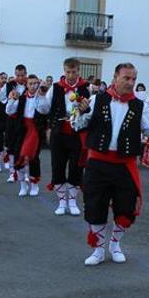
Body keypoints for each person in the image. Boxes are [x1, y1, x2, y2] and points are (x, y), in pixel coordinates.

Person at [73, 63, 149, 266]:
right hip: (98, 162)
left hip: (124, 164)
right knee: (95, 205)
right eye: (126, 78)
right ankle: (98, 248)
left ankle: (115, 244)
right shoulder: (96, 99)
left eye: (133, 79)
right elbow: (77, 125)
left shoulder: (140, 105)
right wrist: (81, 113)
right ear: (115, 78)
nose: (130, 82)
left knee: (125, 208)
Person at [37, 57, 90, 216]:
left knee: (76, 168)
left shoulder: (87, 88)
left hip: (78, 134)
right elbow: (44, 109)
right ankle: (61, 202)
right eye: (68, 72)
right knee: (57, 167)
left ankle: (72, 202)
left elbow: (92, 112)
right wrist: (40, 95)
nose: (71, 75)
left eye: (74, 72)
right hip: (59, 133)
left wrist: (86, 110)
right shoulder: (55, 88)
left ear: (79, 71)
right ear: (64, 71)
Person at [5, 74, 49, 197]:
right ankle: (23, 185)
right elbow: (9, 111)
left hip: (35, 130)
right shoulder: (21, 98)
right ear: (27, 85)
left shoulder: (41, 97)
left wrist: (41, 95)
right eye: (30, 84)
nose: (33, 86)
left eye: (36, 83)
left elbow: (44, 110)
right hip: (22, 129)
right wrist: (12, 99)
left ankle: (34, 184)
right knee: (19, 156)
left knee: (32, 156)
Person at [0, 65, 29, 183]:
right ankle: (12, 173)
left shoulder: (29, 84)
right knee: (10, 147)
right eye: (17, 75)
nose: (20, 78)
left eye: (22, 75)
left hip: (24, 119)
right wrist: (9, 98)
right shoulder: (9, 85)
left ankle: (25, 172)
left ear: (26, 74)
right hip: (11, 119)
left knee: (23, 148)